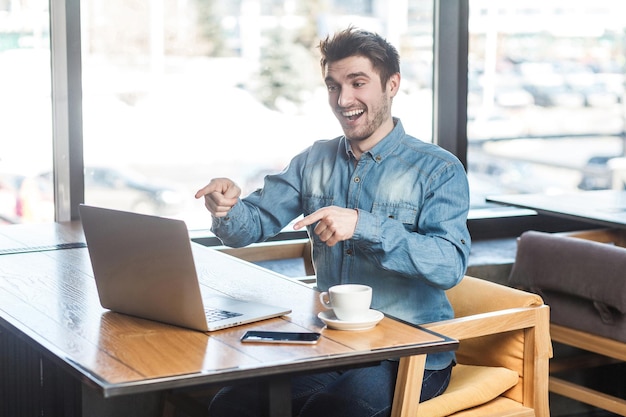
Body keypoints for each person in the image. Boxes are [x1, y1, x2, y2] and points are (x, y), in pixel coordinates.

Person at [195, 26, 471, 417]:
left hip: (411, 352)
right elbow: (249, 228)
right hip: (332, 342)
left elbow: (449, 266)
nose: (344, 99)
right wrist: (226, 208)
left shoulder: (438, 169)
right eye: (333, 86)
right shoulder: (314, 160)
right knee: (232, 404)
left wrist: (363, 225)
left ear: (392, 84)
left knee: (332, 410)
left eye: (358, 83)